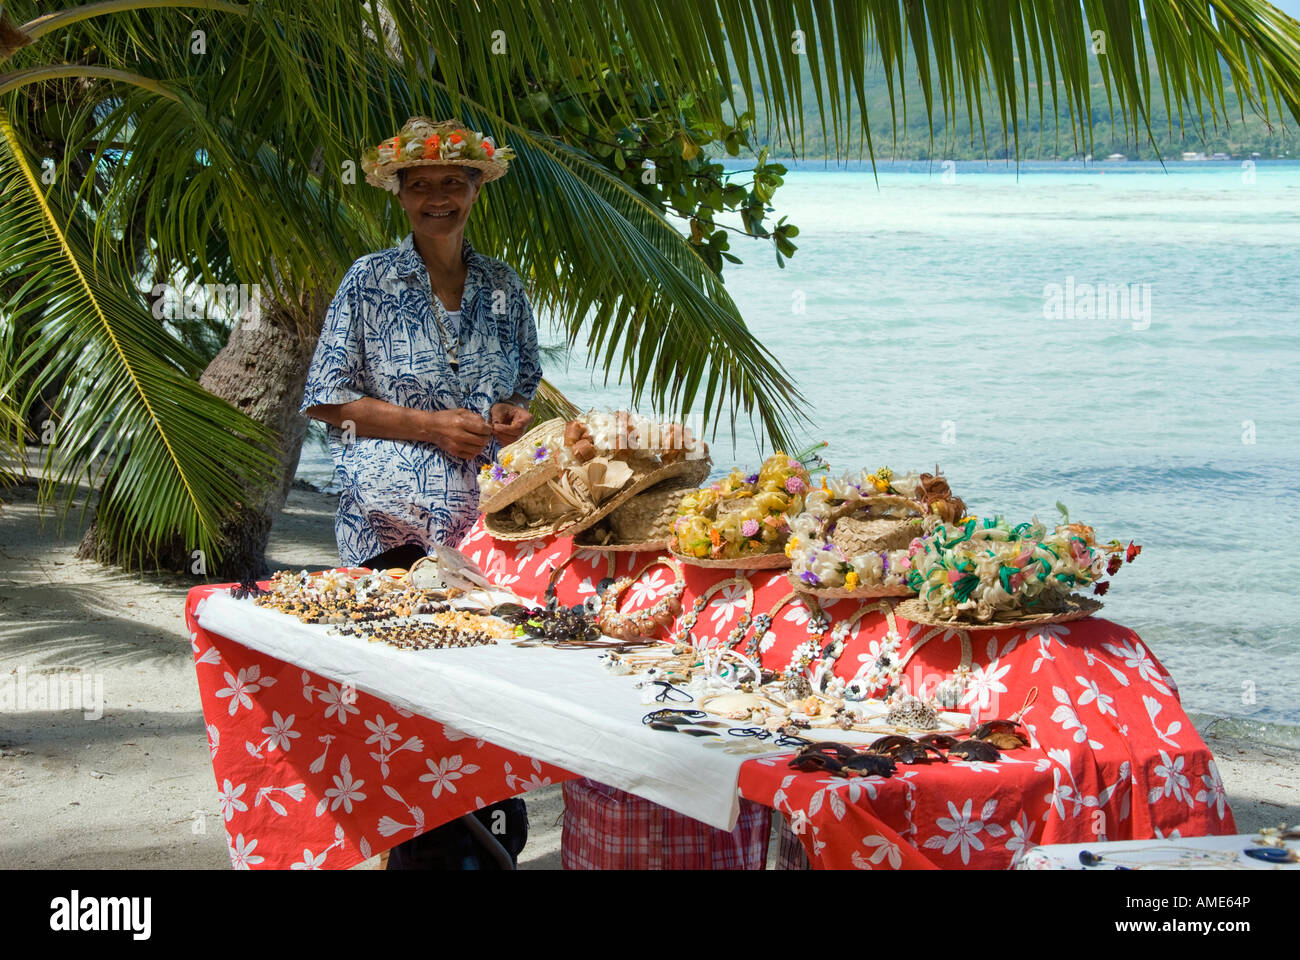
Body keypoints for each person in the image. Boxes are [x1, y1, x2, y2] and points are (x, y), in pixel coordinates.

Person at [300, 116, 538, 868]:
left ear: (476, 191)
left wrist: (509, 416)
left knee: (486, 715)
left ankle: (491, 845)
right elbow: (328, 401)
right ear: (400, 195)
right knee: (412, 723)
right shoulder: (369, 280)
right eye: (423, 185)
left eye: (454, 183)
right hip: (390, 541)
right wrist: (431, 427)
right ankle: (426, 855)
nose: (439, 197)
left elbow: (523, 390)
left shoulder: (504, 285)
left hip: (486, 547)